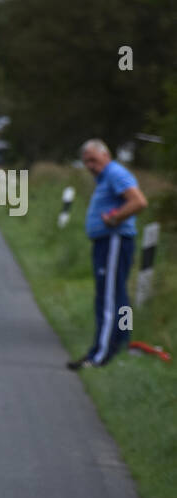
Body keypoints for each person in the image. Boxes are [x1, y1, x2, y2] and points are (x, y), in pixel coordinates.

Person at [67, 139, 148, 369]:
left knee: (108, 299)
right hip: (111, 242)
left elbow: (139, 201)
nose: (91, 165)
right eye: (86, 162)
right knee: (120, 296)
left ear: (106, 155)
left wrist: (114, 218)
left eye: (94, 160)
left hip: (114, 241)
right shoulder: (106, 177)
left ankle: (99, 355)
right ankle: (122, 343)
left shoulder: (115, 173)